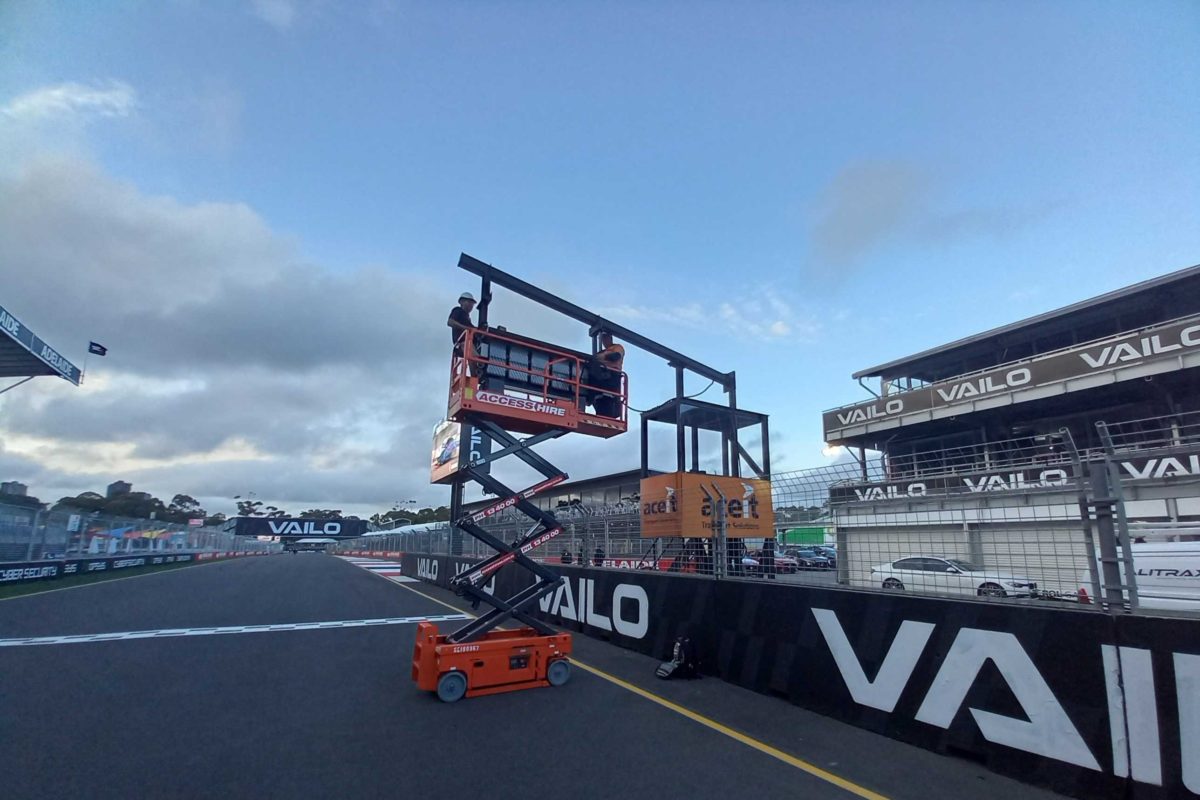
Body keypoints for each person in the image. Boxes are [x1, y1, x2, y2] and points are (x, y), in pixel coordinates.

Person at [588, 332, 625, 418]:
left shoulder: (617, 347)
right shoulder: (602, 352)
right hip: (601, 375)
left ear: (610, 338)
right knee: (599, 396)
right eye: (602, 339)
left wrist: (601, 358)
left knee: (607, 397)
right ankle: (591, 398)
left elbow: (615, 357)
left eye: (605, 338)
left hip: (612, 375)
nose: (604, 341)